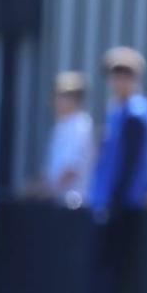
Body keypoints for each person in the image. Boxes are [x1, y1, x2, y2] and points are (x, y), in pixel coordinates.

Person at [45, 48, 147, 293]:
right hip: (105, 202)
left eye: (126, 74)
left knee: (110, 271)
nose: (119, 80)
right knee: (98, 270)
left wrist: (115, 203)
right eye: (115, 74)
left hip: (122, 205)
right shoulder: (117, 111)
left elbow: (129, 163)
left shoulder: (136, 112)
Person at [39, 72, 95, 204]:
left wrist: (47, 190)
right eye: (58, 95)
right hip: (59, 201)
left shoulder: (80, 125)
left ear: (77, 99)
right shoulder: (60, 127)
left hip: (75, 203)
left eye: (67, 96)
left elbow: (72, 168)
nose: (59, 100)